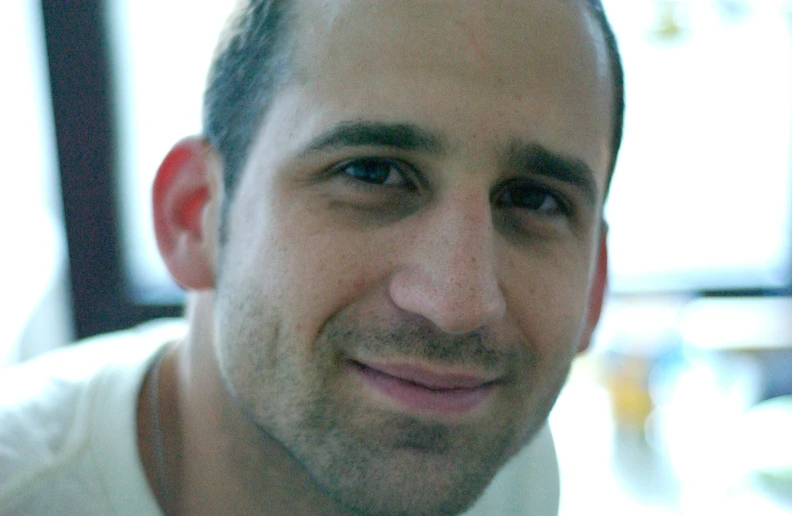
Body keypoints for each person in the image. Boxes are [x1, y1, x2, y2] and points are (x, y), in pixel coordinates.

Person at [0, 0, 624, 514]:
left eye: (535, 201)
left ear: (595, 285)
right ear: (194, 219)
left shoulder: (500, 452)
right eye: (372, 173)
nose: (459, 306)